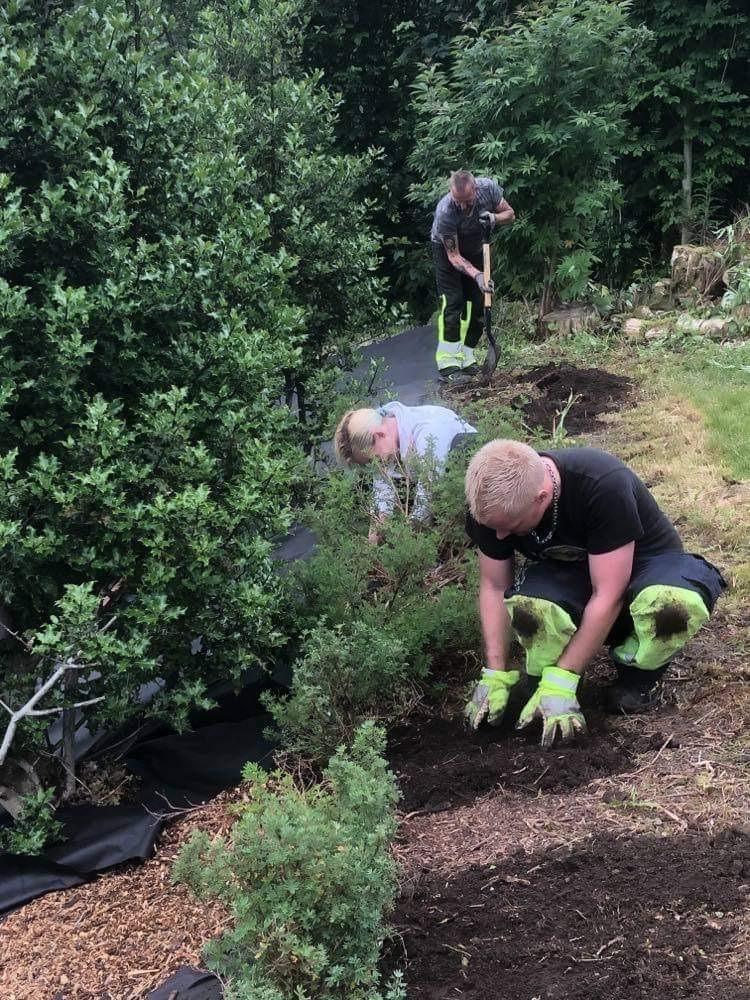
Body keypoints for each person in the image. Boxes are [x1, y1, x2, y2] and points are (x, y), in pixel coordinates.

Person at [463, 440, 726, 746]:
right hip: (576, 574)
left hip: (644, 572)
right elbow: (494, 586)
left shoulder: (602, 484)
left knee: (671, 606)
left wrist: (564, 678)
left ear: (542, 497)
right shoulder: (490, 508)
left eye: (512, 526)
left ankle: (637, 676)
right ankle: (544, 681)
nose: (501, 536)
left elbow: (609, 594)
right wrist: (494, 671)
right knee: (531, 607)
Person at [334, 401, 476, 538]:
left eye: (374, 460)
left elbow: (427, 494)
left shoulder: (428, 432)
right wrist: (374, 536)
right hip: (443, 487)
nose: (376, 465)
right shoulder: (384, 429)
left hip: (473, 477)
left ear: (380, 434)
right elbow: (382, 488)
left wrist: (410, 539)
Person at [430, 169, 515, 379]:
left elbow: (510, 215)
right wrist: (477, 276)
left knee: (477, 302)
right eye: (458, 201)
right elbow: (455, 256)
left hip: (477, 249)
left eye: (467, 200)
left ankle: (467, 357)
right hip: (448, 253)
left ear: (475, 190)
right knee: (453, 302)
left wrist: (494, 218)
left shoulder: (489, 189)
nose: (462, 206)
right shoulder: (446, 211)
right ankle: (448, 364)